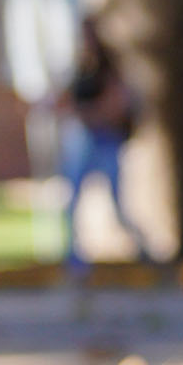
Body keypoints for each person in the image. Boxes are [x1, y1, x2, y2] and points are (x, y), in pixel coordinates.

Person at [58, 15, 149, 272]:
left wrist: (85, 113)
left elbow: (114, 107)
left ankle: (143, 250)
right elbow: (66, 101)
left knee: (117, 204)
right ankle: (74, 260)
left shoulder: (109, 70)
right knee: (72, 200)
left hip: (105, 141)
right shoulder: (79, 70)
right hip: (83, 141)